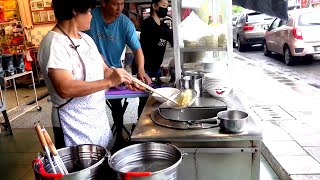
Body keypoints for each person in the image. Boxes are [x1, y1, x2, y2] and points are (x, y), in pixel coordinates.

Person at [37, 0, 135, 149]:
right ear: (75, 10)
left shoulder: (86, 39)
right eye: (89, 11)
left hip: (97, 122)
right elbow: (65, 88)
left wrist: (124, 78)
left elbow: (105, 70)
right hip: (72, 126)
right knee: (82, 171)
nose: (91, 16)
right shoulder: (54, 44)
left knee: (103, 167)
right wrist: (109, 82)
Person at [85, 0, 151, 145]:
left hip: (114, 72)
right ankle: (94, 142)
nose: (119, 8)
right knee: (90, 106)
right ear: (103, 3)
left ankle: (119, 136)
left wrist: (141, 70)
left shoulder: (125, 23)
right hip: (90, 73)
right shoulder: (89, 17)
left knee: (116, 105)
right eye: (115, 4)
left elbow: (137, 50)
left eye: (122, 4)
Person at [134, 0, 173, 116]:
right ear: (154, 6)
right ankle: (140, 126)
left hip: (157, 69)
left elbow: (173, 39)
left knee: (156, 100)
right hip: (144, 69)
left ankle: (153, 122)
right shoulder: (148, 24)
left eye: (167, 6)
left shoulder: (164, 25)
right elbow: (163, 33)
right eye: (163, 6)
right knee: (145, 100)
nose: (165, 9)